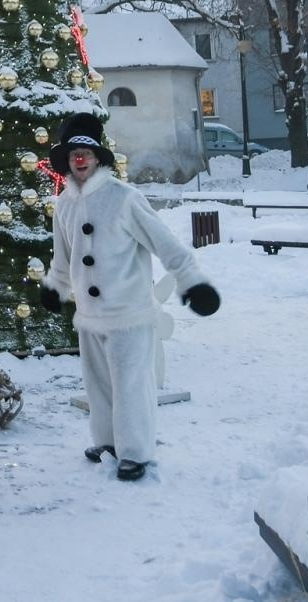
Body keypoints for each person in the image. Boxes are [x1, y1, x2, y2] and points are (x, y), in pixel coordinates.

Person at [40, 112, 220, 482]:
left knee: (131, 386)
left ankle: (135, 453)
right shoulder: (64, 205)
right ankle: (107, 442)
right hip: (89, 316)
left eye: (86, 153)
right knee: (99, 385)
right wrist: (54, 287)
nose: (80, 159)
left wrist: (191, 280)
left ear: (99, 158)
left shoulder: (124, 199)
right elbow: (63, 256)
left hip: (128, 315)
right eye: (74, 152)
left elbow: (164, 243)